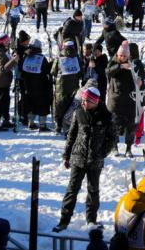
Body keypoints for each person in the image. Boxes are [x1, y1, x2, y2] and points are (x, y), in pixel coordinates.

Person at [54, 87, 117, 232]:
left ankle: (91, 220)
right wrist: (66, 155)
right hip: (78, 158)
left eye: (86, 101)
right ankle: (63, 221)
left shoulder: (106, 116)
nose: (83, 103)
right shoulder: (78, 113)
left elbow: (112, 138)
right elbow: (71, 135)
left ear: (95, 102)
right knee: (72, 190)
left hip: (95, 161)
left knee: (93, 191)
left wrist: (102, 153)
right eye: (82, 100)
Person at [0, 33, 18, 132]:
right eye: (7, 41)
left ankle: (6, 120)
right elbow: (2, 68)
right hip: (1, 80)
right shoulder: (0, 53)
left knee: (5, 100)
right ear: (3, 42)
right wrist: (14, 60)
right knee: (1, 103)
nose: (8, 43)